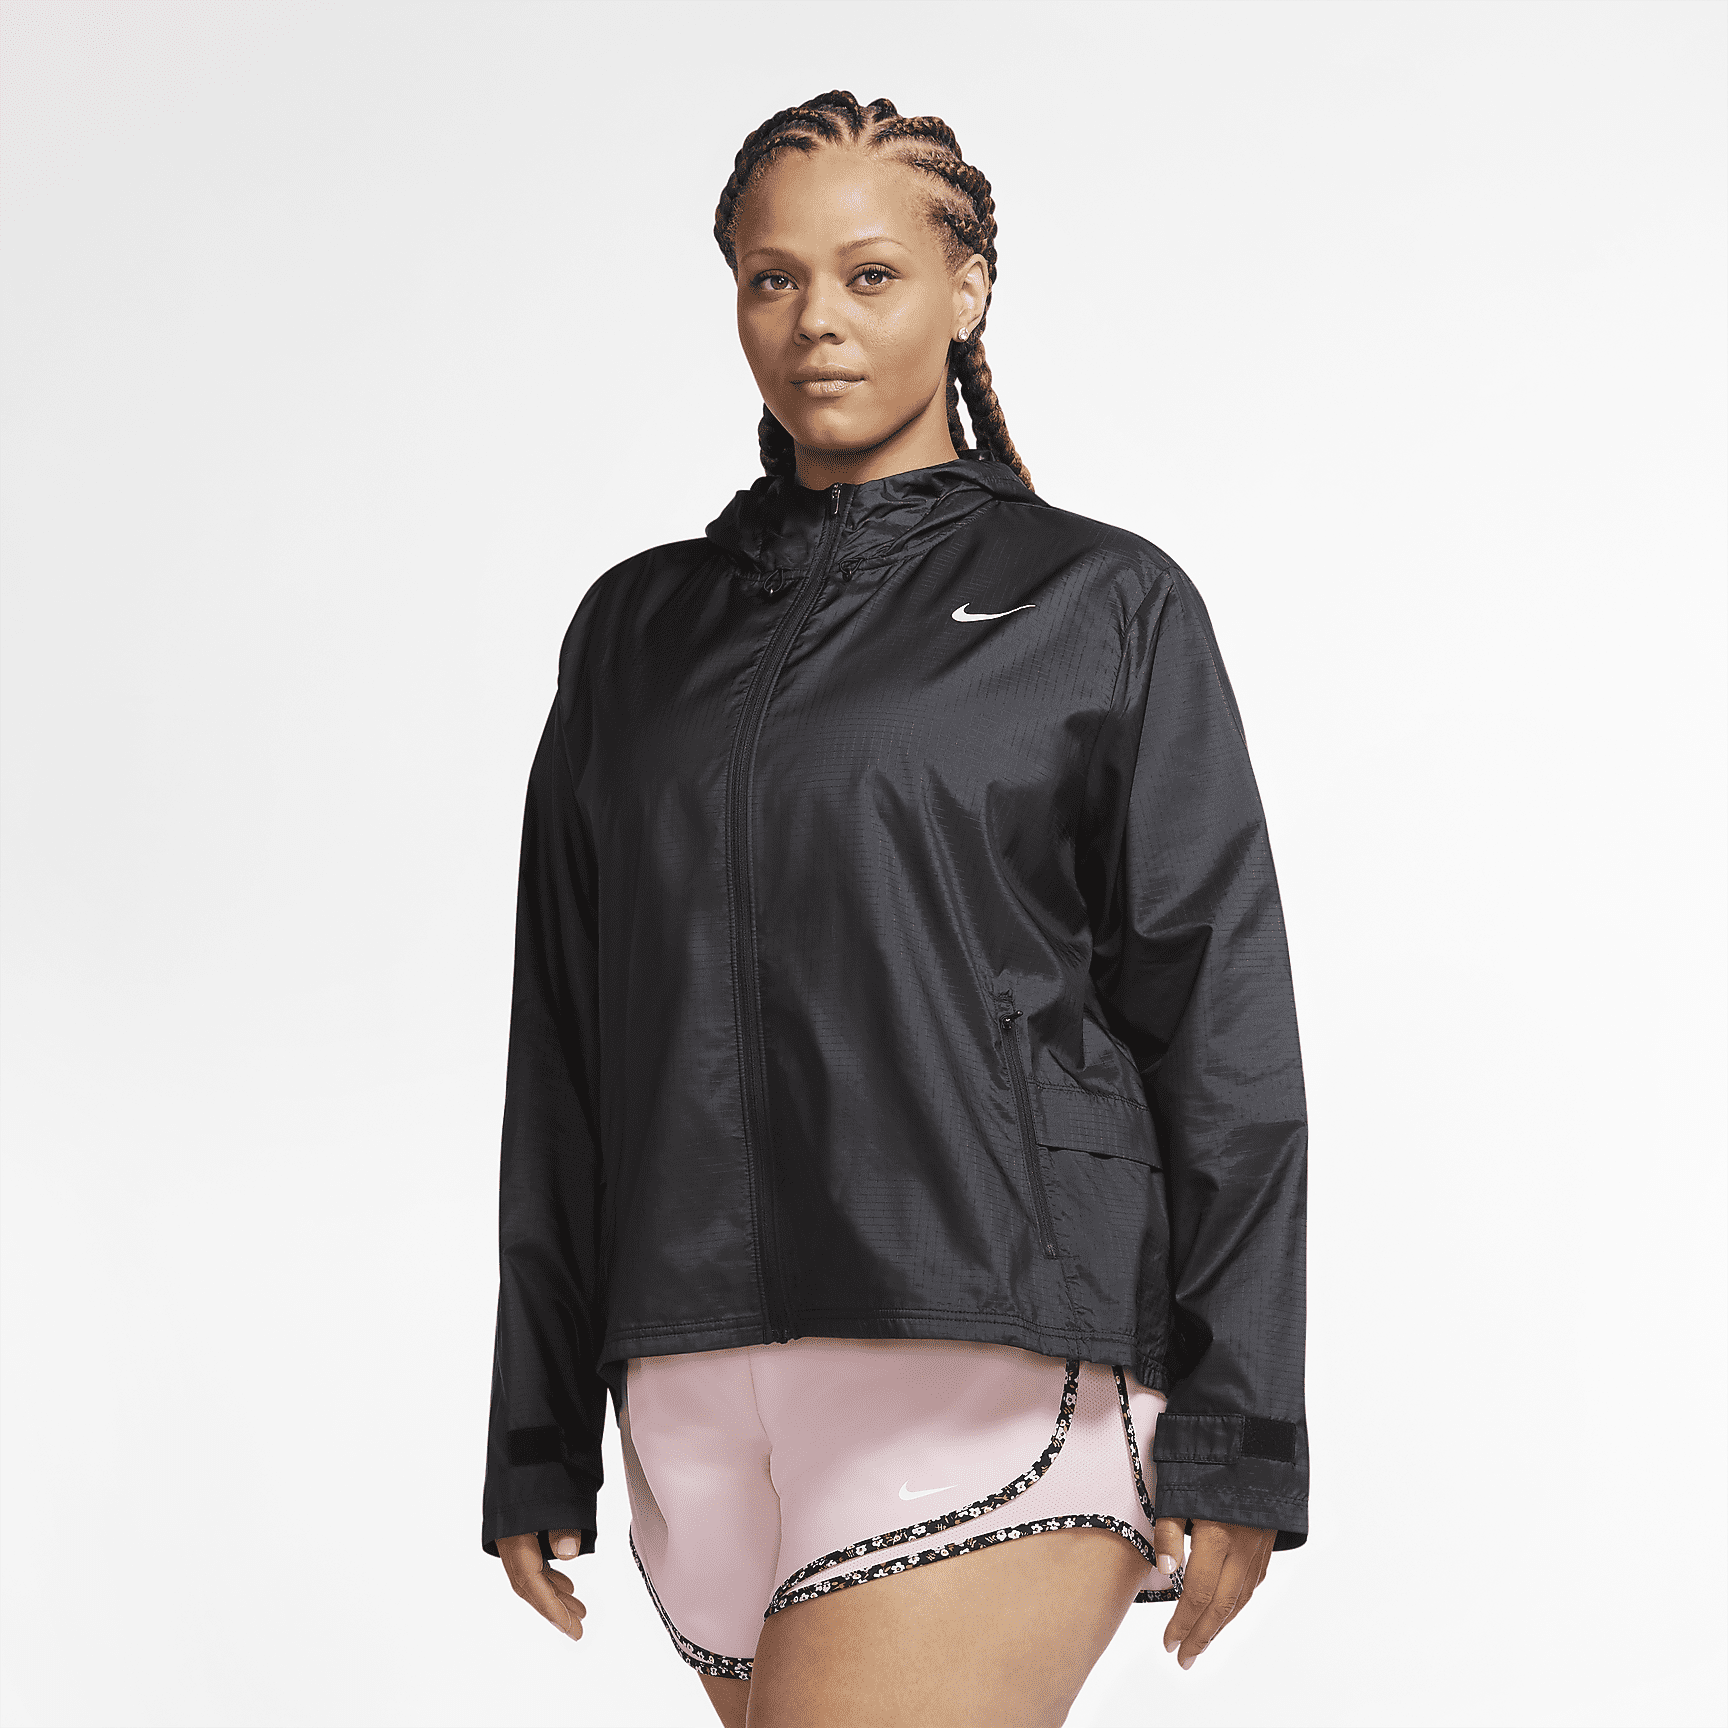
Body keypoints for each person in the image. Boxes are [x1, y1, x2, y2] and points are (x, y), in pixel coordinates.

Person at [482, 90, 1309, 1728]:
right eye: (773, 279)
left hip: (985, 1355)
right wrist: (536, 1424)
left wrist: (1243, 1435)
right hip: (691, 1390)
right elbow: (566, 1037)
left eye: (871, 275)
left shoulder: (1099, 603)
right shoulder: (637, 631)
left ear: (967, 286)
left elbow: (1218, 1026)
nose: (818, 322)